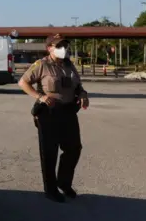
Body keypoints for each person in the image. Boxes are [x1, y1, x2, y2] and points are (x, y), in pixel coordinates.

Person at [18, 34, 90, 203]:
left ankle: (64, 183)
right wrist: (39, 96)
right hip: (49, 113)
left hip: (68, 112)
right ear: (49, 48)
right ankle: (50, 189)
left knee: (74, 148)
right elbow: (23, 82)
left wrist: (83, 94)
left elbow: (78, 86)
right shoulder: (41, 65)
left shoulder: (69, 65)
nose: (63, 49)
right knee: (50, 153)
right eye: (58, 46)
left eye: (65, 46)